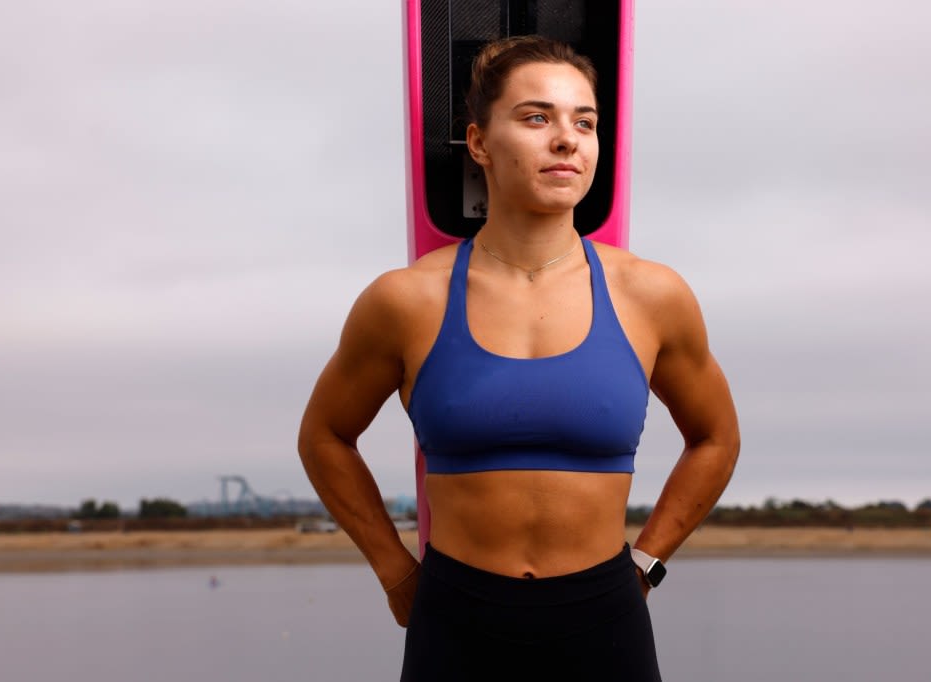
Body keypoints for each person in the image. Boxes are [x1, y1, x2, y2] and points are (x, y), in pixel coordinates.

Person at [297, 35, 739, 681]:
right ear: (479, 142)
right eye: (537, 118)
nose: (567, 139)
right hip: (455, 620)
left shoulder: (651, 295)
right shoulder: (406, 300)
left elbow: (715, 439)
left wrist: (647, 562)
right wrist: (395, 572)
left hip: (603, 620)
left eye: (584, 123)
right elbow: (326, 436)